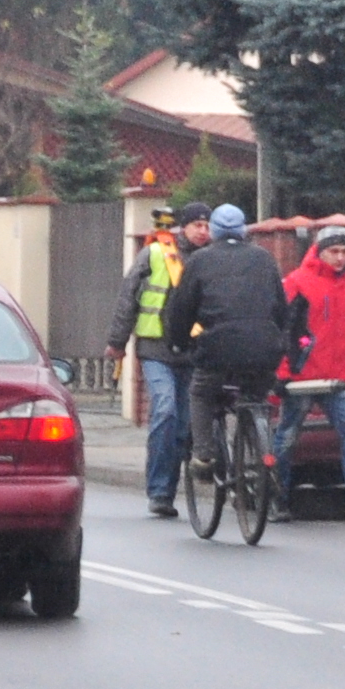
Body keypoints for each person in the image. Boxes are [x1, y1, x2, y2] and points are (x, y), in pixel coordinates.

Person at [157, 202, 292, 503]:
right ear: (244, 230)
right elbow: (281, 308)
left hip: (218, 347)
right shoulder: (264, 258)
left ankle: (204, 456)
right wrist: (279, 339)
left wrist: (177, 342)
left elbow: (182, 309)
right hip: (264, 347)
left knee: (202, 392)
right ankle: (257, 451)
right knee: (254, 397)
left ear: (215, 231)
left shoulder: (200, 260)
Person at [277, 225, 345, 521]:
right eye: (333, 251)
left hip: (340, 376)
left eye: (344, 252)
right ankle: (277, 497)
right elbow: (284, 332)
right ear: (320, 251)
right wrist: (283, 372)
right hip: (302, 377)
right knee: (287, 437)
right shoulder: (297, 283)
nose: (339, 258)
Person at [134, 205, 211, 519]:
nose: (203, 231)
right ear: (182, 228)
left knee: (183, 425)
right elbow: (129, 296)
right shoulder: (156, 253)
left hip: (192, 353)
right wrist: (116, 343)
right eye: (197, 225)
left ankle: (168, 491)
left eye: (207, 226)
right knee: (165, 409)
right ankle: (159, 490)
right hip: (156, 349)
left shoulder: (212, 260)